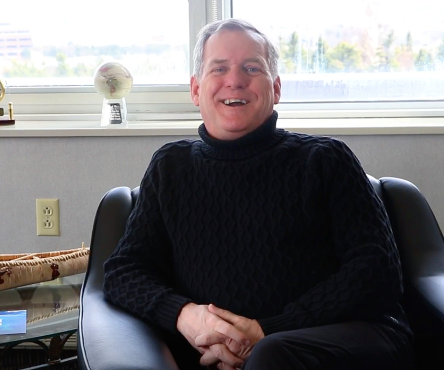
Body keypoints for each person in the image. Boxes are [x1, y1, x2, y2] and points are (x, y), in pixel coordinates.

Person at [103, 18, 415, 370]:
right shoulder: (170, 167)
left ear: (276, 88)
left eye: (252, 67)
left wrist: (267, 332)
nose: (234, 80)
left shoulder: (326, 160)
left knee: (271, 356)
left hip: (338, 343)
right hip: (211, 354)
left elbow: (377, 271)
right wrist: (185, 315)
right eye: (219, 68)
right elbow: (123, 272)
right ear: (195, 90)